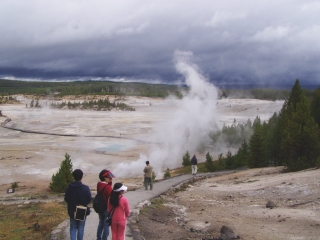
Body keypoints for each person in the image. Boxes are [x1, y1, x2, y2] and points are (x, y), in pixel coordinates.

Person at [64, 169, 91, 240]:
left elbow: (66, 198)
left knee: (73, 227)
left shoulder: (69, 187)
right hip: (82, 210)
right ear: (81, 177)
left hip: (72, 210)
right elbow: (89, 199)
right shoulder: (85, 188)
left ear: (73, 176)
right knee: (81, 228)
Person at [96, 169, 115, 240]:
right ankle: (104, 238)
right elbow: (111, 196)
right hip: (106, 207)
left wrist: (109, 183)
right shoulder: (107, 187)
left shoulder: (99, 184)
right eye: (109, 177)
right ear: (104, 178)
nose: (110, 178)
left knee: (101, 223)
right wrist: (110, 185)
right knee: (106, 225)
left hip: (100, 206)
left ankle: (98, 238)